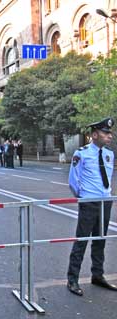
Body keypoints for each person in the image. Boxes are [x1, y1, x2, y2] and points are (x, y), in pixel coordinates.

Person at [67, 117, 117, 296]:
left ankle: (98, 275)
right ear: (95, 134)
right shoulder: (82, 153)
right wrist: (83, 197)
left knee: (100, 240)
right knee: (81, 241)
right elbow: (73, 180)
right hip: (89, 202)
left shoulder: (109, 154)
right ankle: (72, 279)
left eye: (110, 133)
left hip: (105, 201)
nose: (109, 136)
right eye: (106, 133)